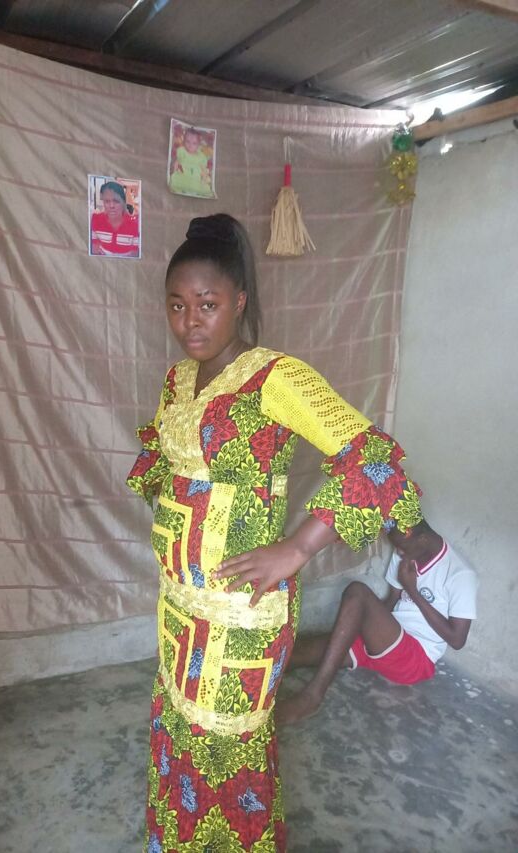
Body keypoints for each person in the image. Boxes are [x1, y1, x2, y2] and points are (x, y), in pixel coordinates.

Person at [126, 213, 423, 852]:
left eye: (207, 304)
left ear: (238, 302)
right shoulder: (178, 380)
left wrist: (298, 547)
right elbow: (165, 459)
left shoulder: (276, 378)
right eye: (177, 306)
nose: (190, 322)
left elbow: (374, 461)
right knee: (181, 733)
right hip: (179, 609)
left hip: (242, 614)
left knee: (230, 751)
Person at [278, 519, 478, 724]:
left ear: (423, 539)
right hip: (385, 640)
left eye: (402, 547)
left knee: (357, 592)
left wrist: (412, 590)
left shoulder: (460, 575)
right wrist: (353, 629)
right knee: (297, 652)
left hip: (414, 658)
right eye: (396, 546)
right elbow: (391, 602)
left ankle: (312, 696)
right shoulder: (406, 550)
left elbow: (457, 640)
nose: (398, 552)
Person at [90, 180, 140, 257]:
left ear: (123, 202)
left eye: (116, 201)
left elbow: (135, 253)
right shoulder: (96, 220)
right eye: (107, 201)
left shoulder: (135, 224)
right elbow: (94, 245)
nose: (111, 206)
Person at [169, 127, 213, 197]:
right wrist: (175, 169)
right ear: (184, 141)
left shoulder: (201, 156)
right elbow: (177, 162)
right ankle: (181, 189)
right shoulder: (182, 151)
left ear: (198, 145)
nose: (190, 145)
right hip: (184, 175)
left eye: (194, 143)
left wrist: (204, 178)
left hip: (195, 178)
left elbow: (203, 168)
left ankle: (196, 191)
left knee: (203, 188)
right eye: (188, 142)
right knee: (177, 181)